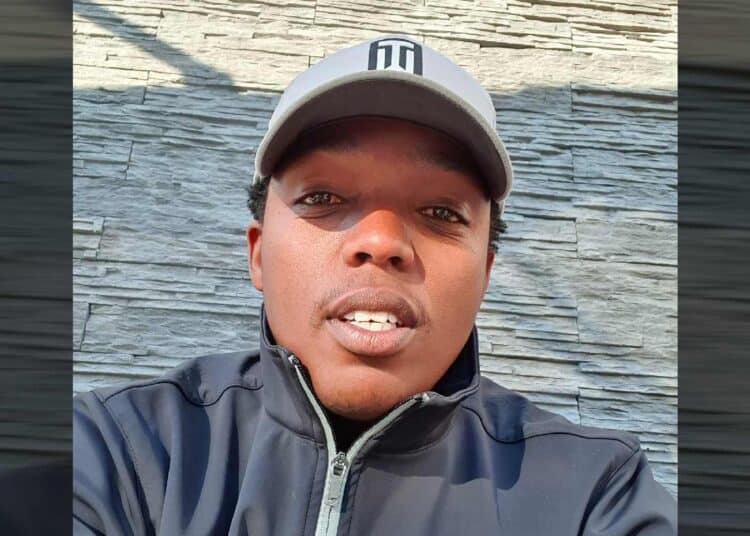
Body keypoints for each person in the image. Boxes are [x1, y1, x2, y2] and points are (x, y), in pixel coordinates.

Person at [73, 35, 676, 535]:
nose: (381, 241)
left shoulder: (596, 494)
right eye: (322, 197)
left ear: (485, 274)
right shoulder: (116, 450)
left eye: (441, 212)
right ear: (258, 254)